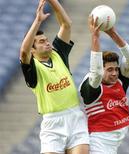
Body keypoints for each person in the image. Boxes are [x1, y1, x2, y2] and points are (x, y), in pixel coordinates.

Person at [19, 0, 89, 154]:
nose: (48, 43)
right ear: (33, 50)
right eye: (42, 42)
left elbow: (66, 25)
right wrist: (37, 21)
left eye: (47, 40)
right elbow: (23, 52)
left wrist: (53, 1)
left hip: (75, 117)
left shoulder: (58, 54)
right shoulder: (32, 68)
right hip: (53, 123)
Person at [79, 16, 129, 154]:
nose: (115, 73)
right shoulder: (91, 87)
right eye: (109, 69)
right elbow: (97, 73)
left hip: (114, 142)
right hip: (99, 141)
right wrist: (95, 38)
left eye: (116, 69)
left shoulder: (119, 81)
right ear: (101, 68)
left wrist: (112, 33)